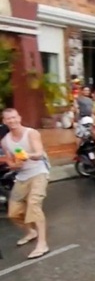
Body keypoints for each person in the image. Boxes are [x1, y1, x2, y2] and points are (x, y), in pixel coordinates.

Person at [1, 108, 50, 259]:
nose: (12, 121)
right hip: (22, 176)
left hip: (39, 171)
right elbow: (11, 163)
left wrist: (27, 155)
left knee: (33, 204)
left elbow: (39, 153)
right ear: (4, 121)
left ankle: (42, 244)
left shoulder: (31, 133)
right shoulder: (5, 141)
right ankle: (31, 232)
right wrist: (15, 165)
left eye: (14, 117)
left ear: (19, 117)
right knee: (13, 212)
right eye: (8, 119)